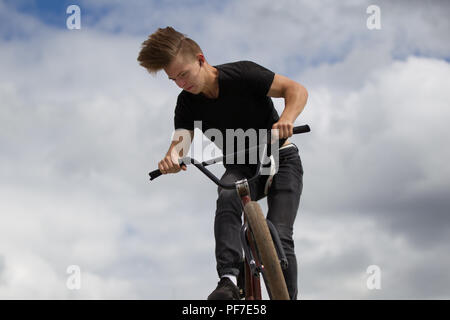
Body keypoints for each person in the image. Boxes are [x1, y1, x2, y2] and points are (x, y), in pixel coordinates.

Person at [137, 27, 308, 300]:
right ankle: (229, 279)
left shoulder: (243, 74)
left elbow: (295, 89)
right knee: (227, 190)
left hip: (279, 158)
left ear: (201, 60)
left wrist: (286, 117)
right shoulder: (187, 104)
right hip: (241, 167)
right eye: (173, 80)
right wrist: (172, 159)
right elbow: (179, 146)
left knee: (280, 235)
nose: (182, 83)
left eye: (184, 74)